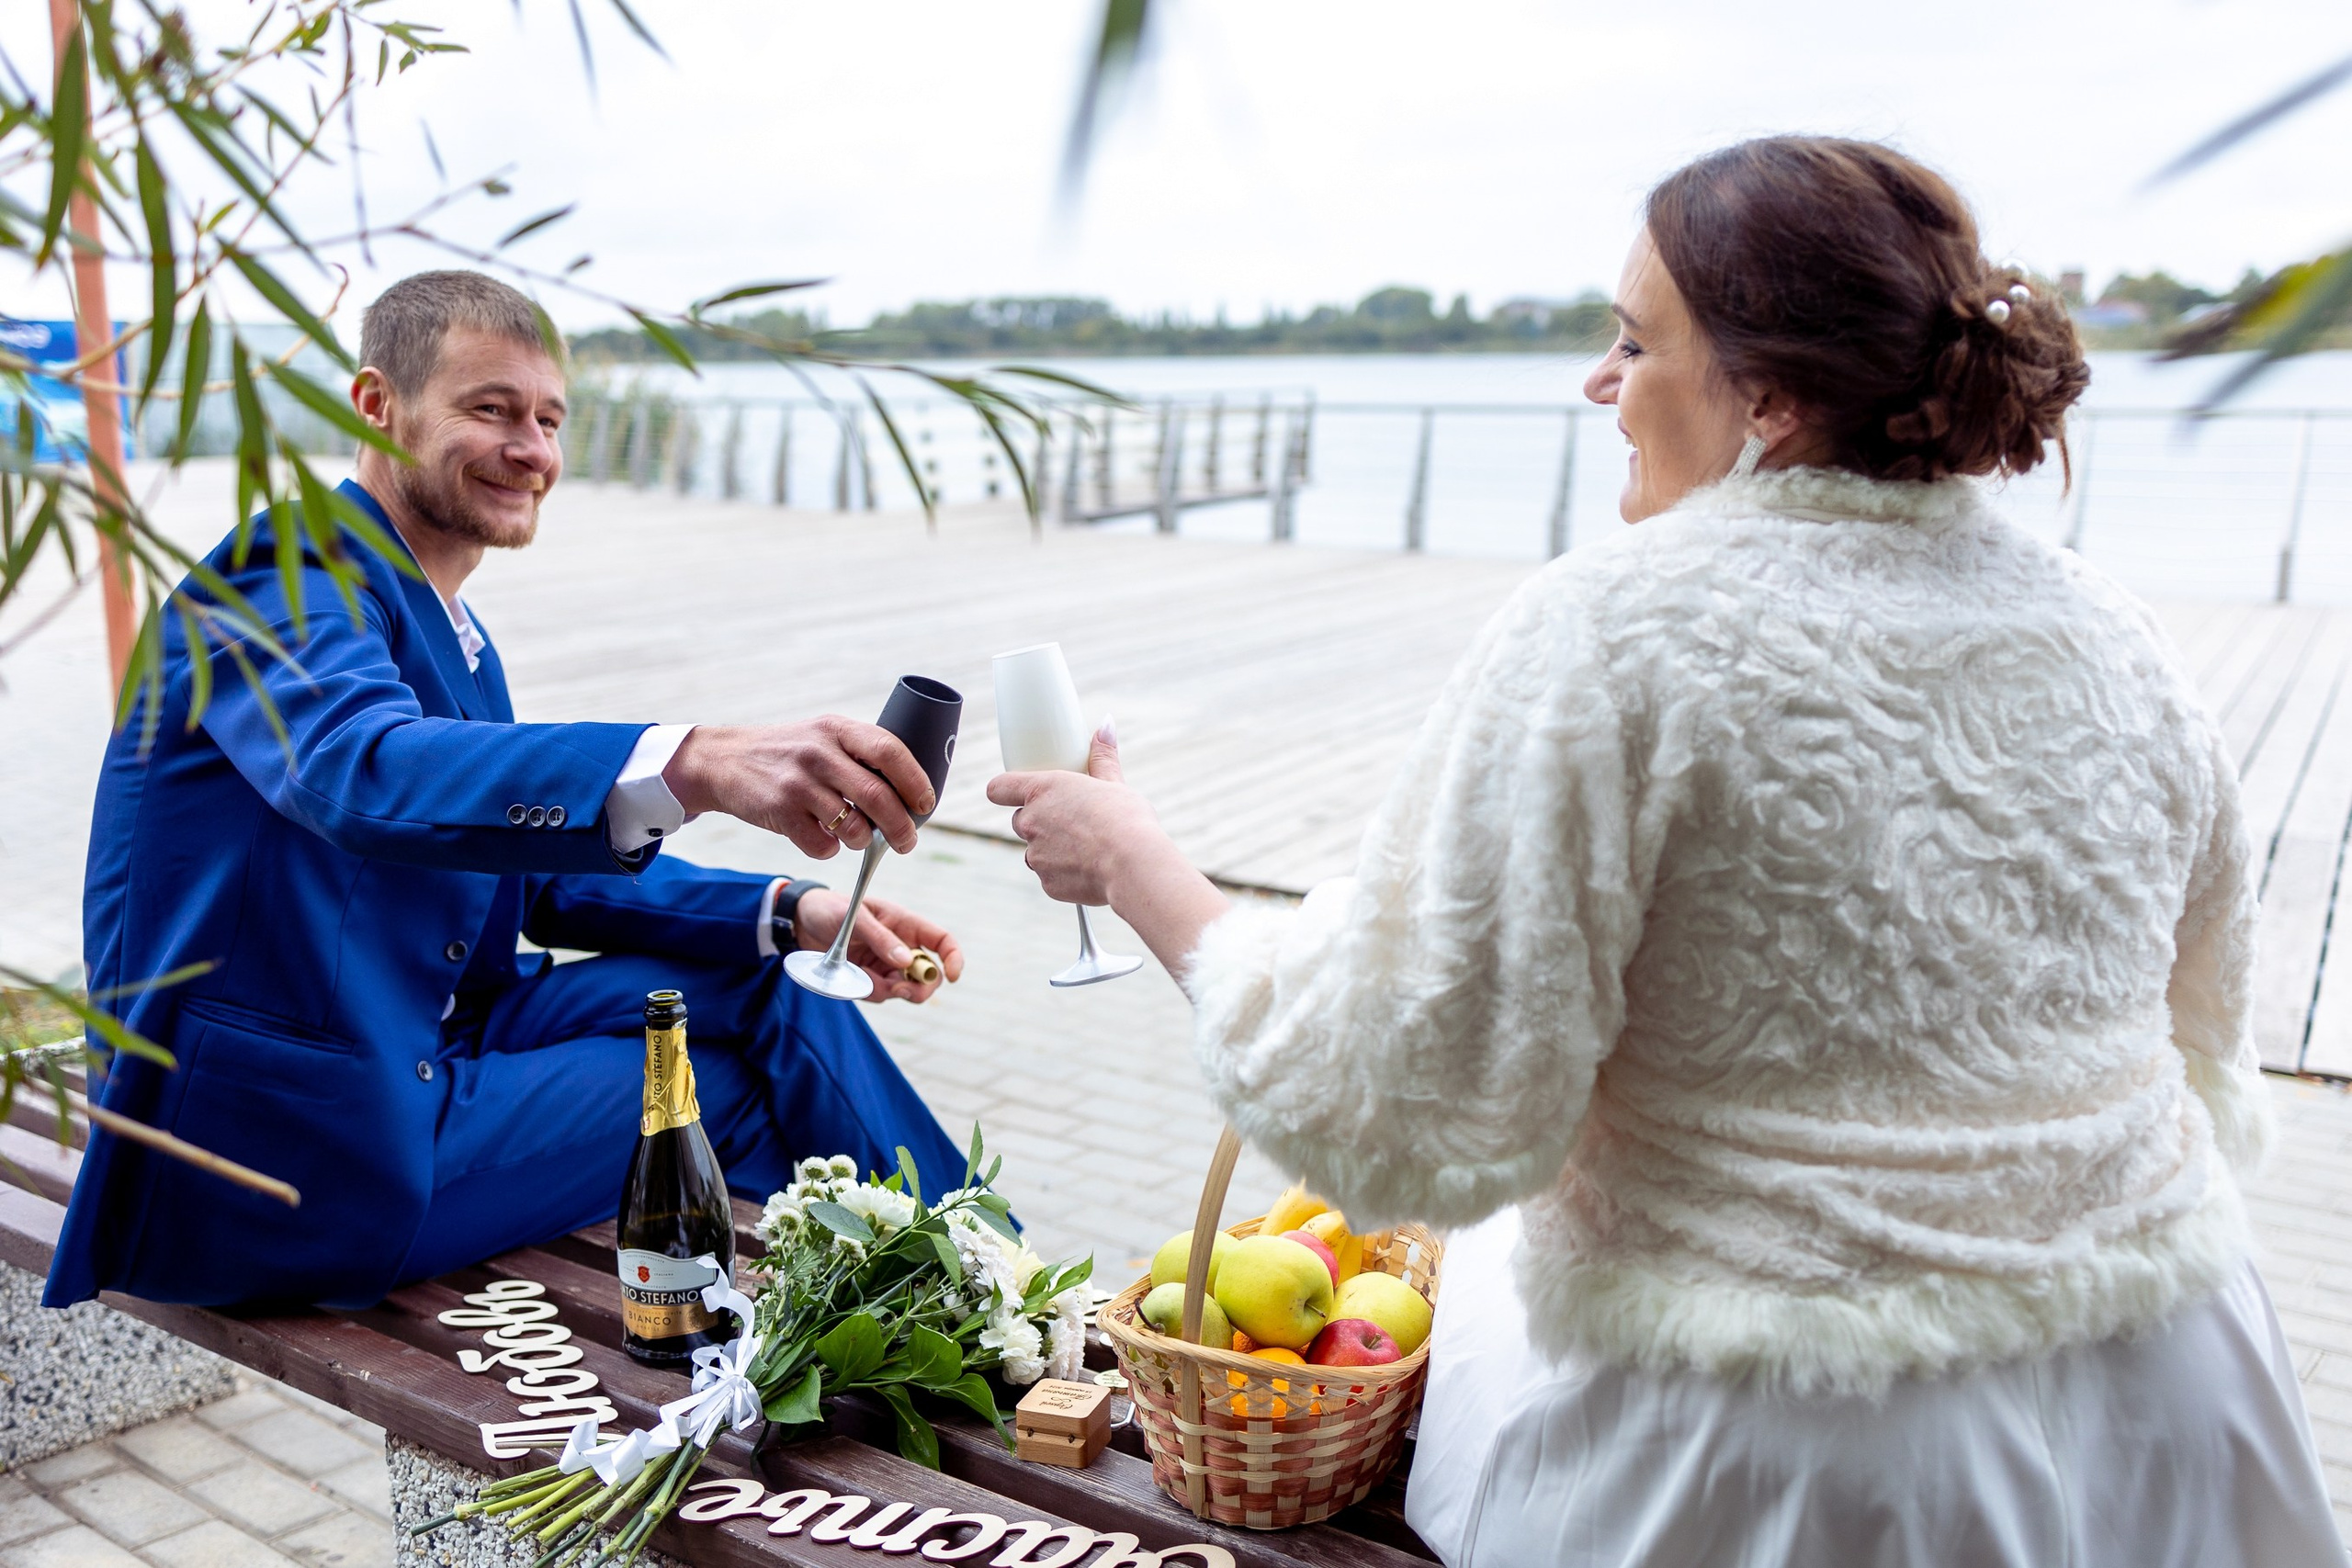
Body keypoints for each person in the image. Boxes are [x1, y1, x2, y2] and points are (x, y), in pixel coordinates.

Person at [990, 139, 2342, 1565]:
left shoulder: (1612, 629)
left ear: (1771, 395)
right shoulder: (2117, 630)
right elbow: (2202, 1013)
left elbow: (1407, 1094)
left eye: (1635, 342)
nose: (1600, 381)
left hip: (1801, 1442)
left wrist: (1132, 860)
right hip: (2168, 1389)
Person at [47, 270, 969, 1313]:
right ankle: (972, 1300)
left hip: (432, 1042)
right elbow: (359, 765)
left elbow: (527, 875)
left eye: (550, 419)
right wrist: (694, 759)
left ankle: (974, 1277)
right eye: (491, 409)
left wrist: (790, 909)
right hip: (281, 1145)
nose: (533, 449)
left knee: (772, 985)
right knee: (732, 1097)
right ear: (377, 405)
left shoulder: (453, 632)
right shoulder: (282, 575)